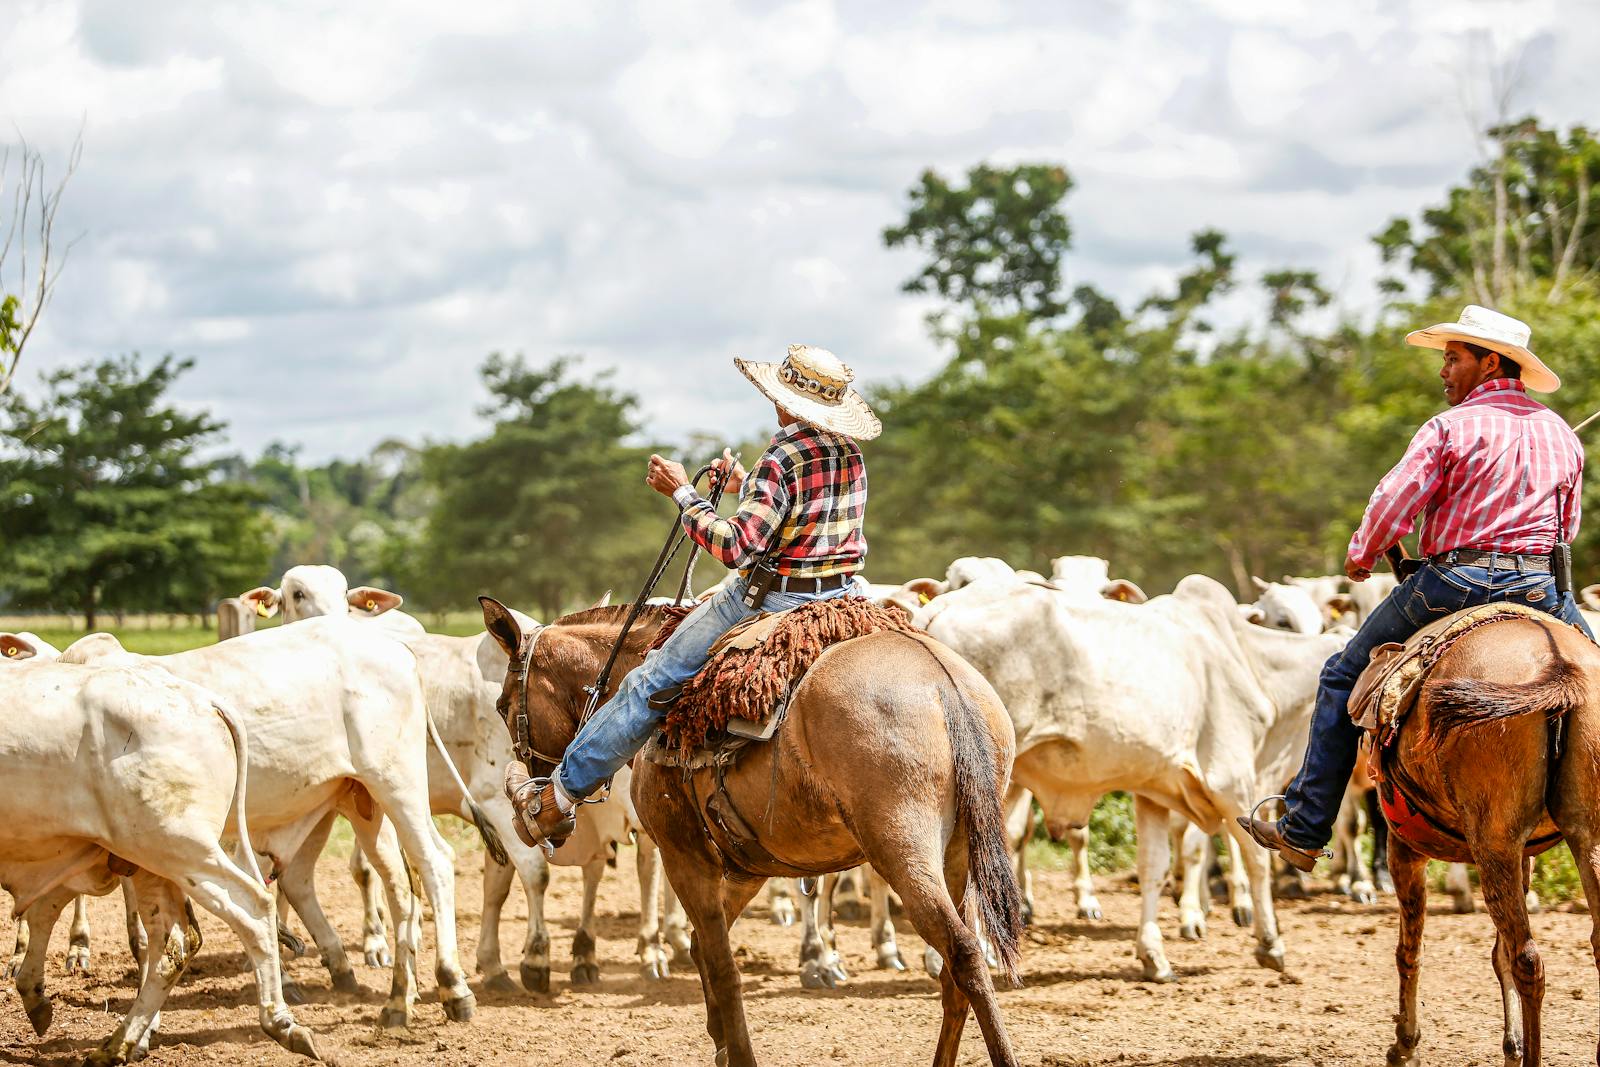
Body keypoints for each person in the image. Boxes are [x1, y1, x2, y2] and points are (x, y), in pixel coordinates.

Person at [1240, 305, 1592, 872]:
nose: (1443, 370)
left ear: (1490, 362)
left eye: (1453, 358)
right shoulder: (1561, 435)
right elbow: (1567, 527)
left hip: (1454, 583)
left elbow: (1391, 504)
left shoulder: (1448, 428)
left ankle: (1305, 827)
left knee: (1339, 675)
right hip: (1539, 590)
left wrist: (1361, 554)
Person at [504, 344, 880, 850]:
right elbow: (804, 516)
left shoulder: (783, 454)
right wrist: (746, 488)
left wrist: (684, 494)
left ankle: (556, 801)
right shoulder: (848, 452)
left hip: (776, 600)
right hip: (845, 593)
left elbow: (733, 547)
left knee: (649, 681)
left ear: (783, 400)